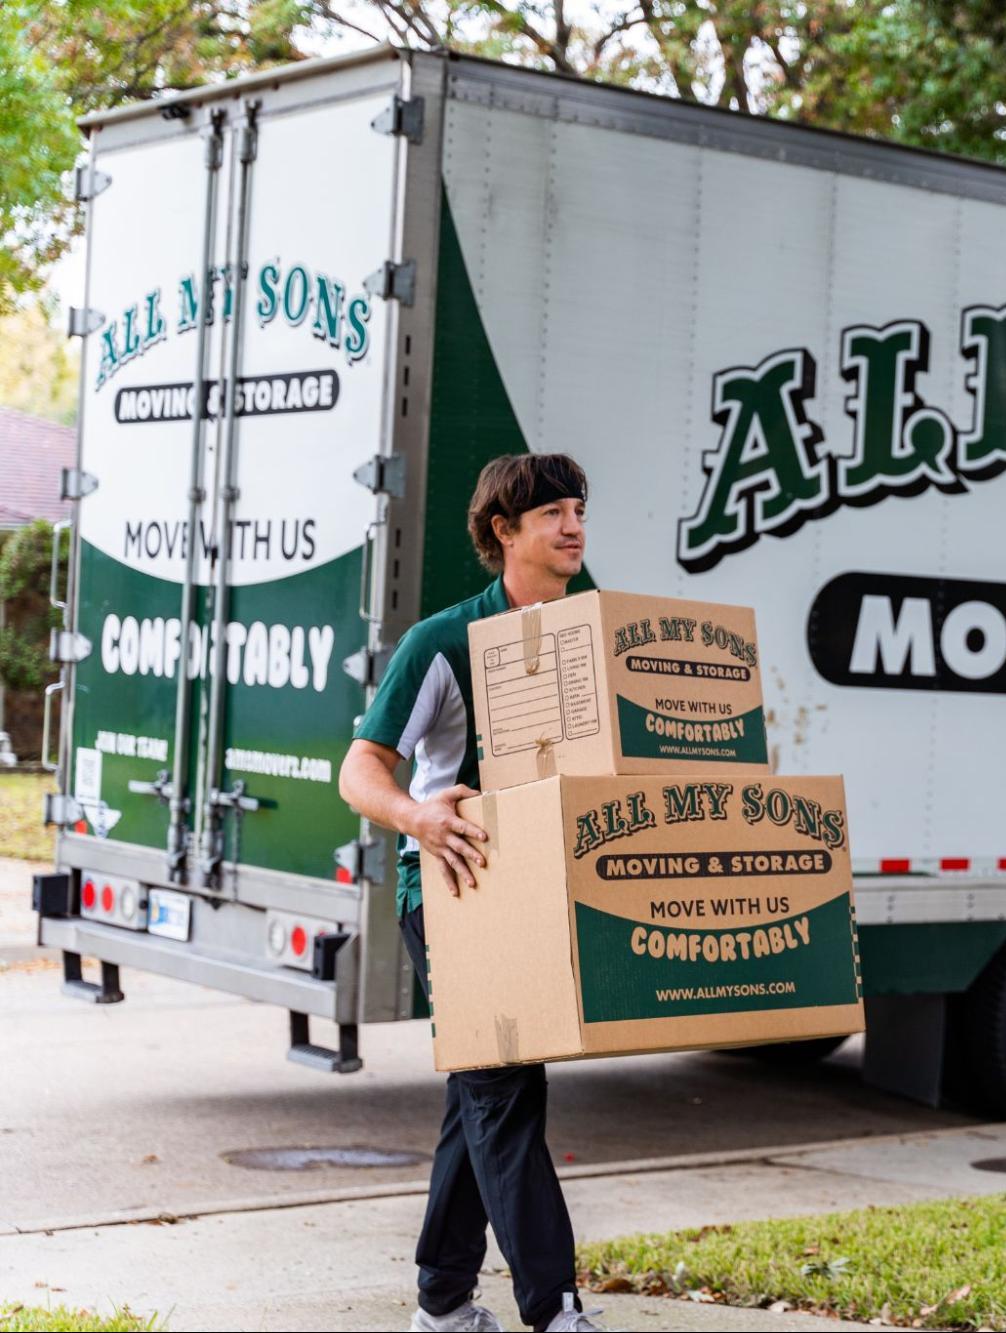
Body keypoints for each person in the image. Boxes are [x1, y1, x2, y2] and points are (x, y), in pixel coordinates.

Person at [338, 453, 604, 1333]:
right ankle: (553, 1309)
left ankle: (443, 1301)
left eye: (578, 509)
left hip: (541, 889)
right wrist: (417, 816)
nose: (572, 526)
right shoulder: (444, 642)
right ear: (504, 531)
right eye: (551, 513)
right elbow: (360, 771)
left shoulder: (585, 641)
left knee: (480, 1090)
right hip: (450, 887)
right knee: (499, 1083)